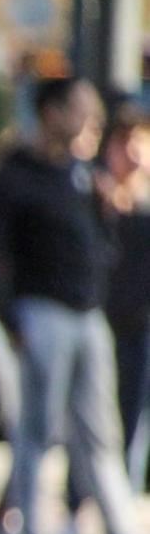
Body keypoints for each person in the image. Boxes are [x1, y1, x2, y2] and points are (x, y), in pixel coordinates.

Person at [0, 77, 146, 534]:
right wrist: (8, 313)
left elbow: (101, 243)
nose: (91, 122)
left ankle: (121, 532)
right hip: (42, 309)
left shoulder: (82, 174)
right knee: (39, 427)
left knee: (102, 429)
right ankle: (32, 532)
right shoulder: (16, 172)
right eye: (80, 110)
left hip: (88, 313)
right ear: (51, 112)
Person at [96, 99, 150, 491]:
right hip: (99, 319)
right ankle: (76, 503)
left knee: (133, 416)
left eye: (141, 142)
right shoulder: (94, 195)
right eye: (125, 142)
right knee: (89, 417)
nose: (133, 153)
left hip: (140, 325)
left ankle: (123, 499)